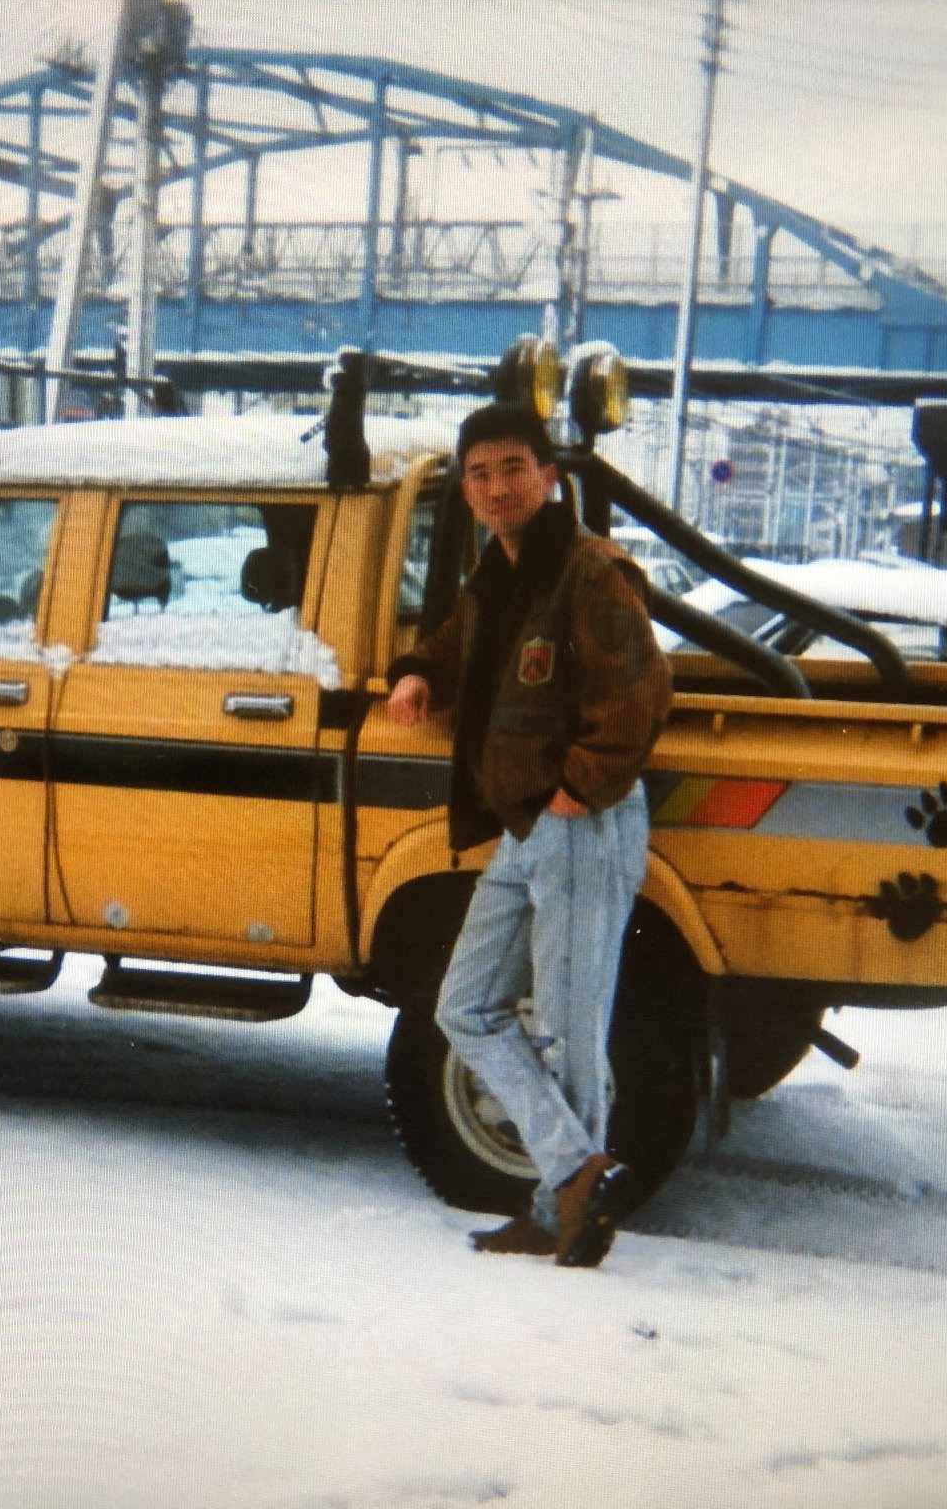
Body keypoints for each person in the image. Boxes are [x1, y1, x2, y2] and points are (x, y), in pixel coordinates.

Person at [386, 402, 671, 1268]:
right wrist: (415, 674)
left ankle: (563, 1212)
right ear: (467, 493)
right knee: (463, 1006)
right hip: (526, 829)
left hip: (576, 825)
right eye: (478, 474)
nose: (495, 486)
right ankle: (575, 1168)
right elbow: (459, 642)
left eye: (513, 467)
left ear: (549, 476)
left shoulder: (588, 572)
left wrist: (577, 793)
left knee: (572, 1028)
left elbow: (640, 694)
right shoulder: (501, 572)